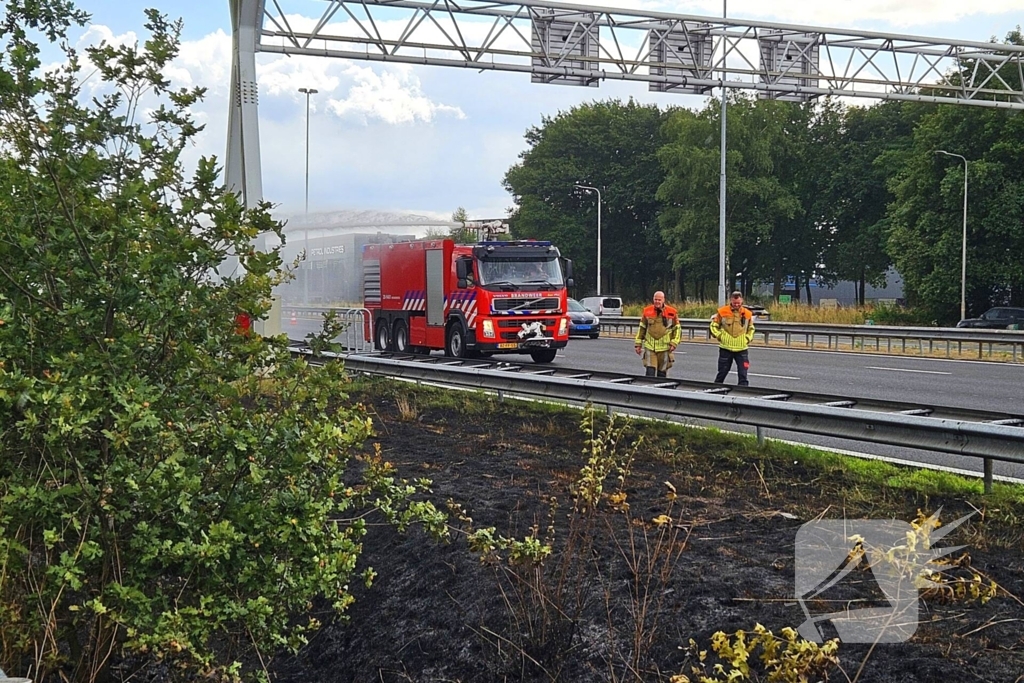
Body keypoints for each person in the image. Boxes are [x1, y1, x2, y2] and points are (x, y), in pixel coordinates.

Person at [710, 291, 755, 386]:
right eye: (734, 303)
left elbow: (751, 328)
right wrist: (720, 336)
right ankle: (716, 389)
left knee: (743, 373)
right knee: (722, 372)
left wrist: (748, 338)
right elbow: (713, 326)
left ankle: (743, 391)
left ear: (742, 301)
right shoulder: (722, 311)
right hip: (726, 347)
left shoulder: (747, 314)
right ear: (731, 300)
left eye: (738, 303)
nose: (736, 305)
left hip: (742, 348)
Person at [634, 291, 681, 377]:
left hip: (665, 348)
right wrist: (638, 344)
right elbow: (642, 328)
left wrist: (674, 343)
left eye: (659, 300)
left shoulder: (672, 312)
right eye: (655, 299)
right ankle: (648, 386)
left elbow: (677, 329)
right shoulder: (647, 311)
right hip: (650, 347)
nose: (657, 302)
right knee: (650, 372)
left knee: (662, 373)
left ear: (663, 300)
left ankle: (661, 386)